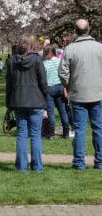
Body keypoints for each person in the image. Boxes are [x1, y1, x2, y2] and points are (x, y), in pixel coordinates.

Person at [58, 19, 102, 170]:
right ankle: (100, 161)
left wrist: (68, 85)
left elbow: (63, 72)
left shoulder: (70, 49)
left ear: (75, 31)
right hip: (98, 93)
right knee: (98, 128)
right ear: (89, 29)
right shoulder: (99, 47)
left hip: (78, 94)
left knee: (80, 129)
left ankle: (79, 162)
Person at [6, 34, 47, 173]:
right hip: (36, 101)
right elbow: (43, 82)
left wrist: (8, 105)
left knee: (21, 135)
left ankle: (21, 166)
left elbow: (9, 85)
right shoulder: (37, 60)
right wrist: (46, 102)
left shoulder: (11, 61)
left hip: (18, 101)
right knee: (35, 135)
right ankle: (37, 166)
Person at [42, 45, 70, 140]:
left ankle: (51, 134)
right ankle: (66, 133)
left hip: (49, 88)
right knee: (63, 111)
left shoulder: (44, 63)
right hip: (60, 87)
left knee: (50, 112)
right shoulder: (59, 61)